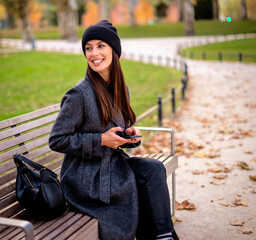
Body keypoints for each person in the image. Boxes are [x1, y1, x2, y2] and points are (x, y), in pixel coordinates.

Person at [49, 20, 178, 240]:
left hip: (111, 165)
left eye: (101, 46)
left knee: (154, 169)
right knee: (141, 181)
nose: (93, 53)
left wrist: (129, 135)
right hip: (85, 177)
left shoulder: (120, 89)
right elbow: (57, 140)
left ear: (114, 51)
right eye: (88, 48)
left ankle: (163, 236)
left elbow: (118, 128)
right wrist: (100, 140)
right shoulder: (79, 94)